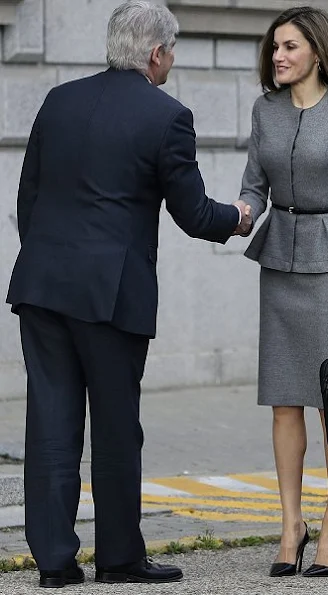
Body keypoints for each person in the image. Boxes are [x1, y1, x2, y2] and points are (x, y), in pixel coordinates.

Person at [6, 1, 251, 588]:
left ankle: (56, 565)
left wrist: (49, 255)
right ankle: (118, 557)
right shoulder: (166, 116)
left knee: (50, 425)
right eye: (172, 53)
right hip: (111, 297)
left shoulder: (58, 101)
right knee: (116, 427)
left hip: (42, 285)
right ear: (156, 53)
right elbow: (194, 213)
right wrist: (239, 217)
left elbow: (28, 197)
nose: (171, 63)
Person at [238, 6, 328, 578]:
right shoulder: (264, 110)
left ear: (317, 52)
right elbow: (254, 183)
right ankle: (290, 524)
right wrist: (240, 211)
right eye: (275, 47)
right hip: (279, 264)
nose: (279, 56)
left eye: (291, 46)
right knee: (283, 400)